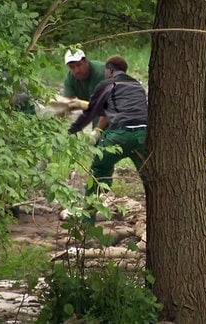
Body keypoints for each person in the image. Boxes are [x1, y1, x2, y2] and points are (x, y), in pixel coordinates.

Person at [67, 55, 148, 225]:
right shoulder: (137, 85)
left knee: (98, 173)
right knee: (150, 179)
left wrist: (72, 131)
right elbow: (109, 111)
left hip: (119, 135)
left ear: (110, 69)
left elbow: (91, 112)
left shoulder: (107, 84)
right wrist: (98, 130)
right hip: (143, 136)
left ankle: (87, 225)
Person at [62, 49, 106, 127]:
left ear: (86, 62)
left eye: (79, 65)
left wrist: (98, 131)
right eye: (72, 67)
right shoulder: (70, 79)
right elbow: (67, 104)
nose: (77, 70)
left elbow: (106, 106)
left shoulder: (102, 72)